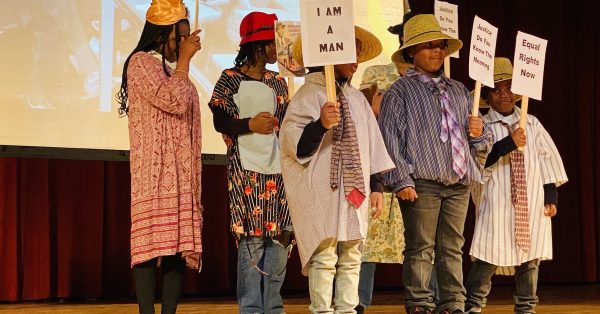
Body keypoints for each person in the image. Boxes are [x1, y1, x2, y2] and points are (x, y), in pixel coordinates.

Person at [378, 14, 493, 314]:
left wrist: (480, 132)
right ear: (411, 52)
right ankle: (419, 302)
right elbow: (390, 138)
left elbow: (478, 142)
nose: (437, 51)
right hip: (422, 182)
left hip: (457, 181)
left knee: (452, 246)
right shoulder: (399, 92)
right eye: (428, 46)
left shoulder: (459, 90)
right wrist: (401, 179)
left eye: (440, 45)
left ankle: (452, 302)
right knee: (420, 246)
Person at [279, 26, 395, 313]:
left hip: (354, 189)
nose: (356, 61)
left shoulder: (356, 99)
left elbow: (371, 146)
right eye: (349, 53)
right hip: (323, 191)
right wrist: (319, 124)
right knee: (325, 253)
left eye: (357, 54)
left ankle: (347, 308)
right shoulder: (309, 95)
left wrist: (377, 188)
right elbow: (294, 145)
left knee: (352, 253)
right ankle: (321, 309)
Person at [115, 0, 202, 313]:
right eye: (181, 37)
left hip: (181, 176)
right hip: (154, 175)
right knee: (150, 251)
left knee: (179, 251)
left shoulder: (171, 70)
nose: (186, 43)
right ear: (162, 34)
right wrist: (184, 62)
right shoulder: (140, 63)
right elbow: (173, 101)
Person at [465, 57, 568, 314]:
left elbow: (548, 161)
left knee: (529, 259)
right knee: (487, 255)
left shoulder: (530, 123)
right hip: (497, 200)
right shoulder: (483, 125)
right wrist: (508, 143)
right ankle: (473, 305)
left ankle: (525, 307)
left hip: (530, 201)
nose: (504, 95)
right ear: (488, 95)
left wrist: (550, 196)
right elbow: (480, 160)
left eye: (509, 88)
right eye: (497, 89)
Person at [208, 11, 292, 314]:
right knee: (253, 242)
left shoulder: (278, 81)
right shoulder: (230, 79)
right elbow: (220, 119)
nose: (276, 49)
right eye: (272, 43)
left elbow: (288, 123)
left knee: (280, 241)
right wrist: (248, 125)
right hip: (247, 173)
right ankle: (251, 309)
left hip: (280, 173)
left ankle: (274, 307)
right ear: (257, 45)